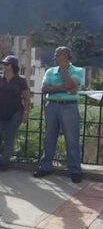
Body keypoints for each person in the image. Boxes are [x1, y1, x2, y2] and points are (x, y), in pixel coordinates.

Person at [34, 46, 85, 183]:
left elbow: (71, 84)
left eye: (58, 55)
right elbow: (44, 89)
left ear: (67, 57)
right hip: (51, 106)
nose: (55, 58)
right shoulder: (50, 71)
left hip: (69, 107)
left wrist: (63, 70)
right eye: (56, 55)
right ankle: (45, 166)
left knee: (72, 139)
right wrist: (62, 88)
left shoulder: (78, 71)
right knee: (49, 138)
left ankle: (75, 170)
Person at [0, 55, 31, 171]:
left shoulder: (20, 80)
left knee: (10, 136)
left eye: (7, 64)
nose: (5, 66)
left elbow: (26, 97)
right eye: (4, 64)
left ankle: (5, 161)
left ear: (13, 66)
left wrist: (26, 112)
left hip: (15, 111)